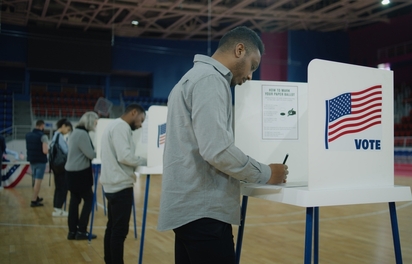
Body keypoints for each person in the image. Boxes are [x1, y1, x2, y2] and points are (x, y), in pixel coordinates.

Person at [157, 26, 288, 264]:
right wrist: (267, 173)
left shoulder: (190, 78)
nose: (250, 76)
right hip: (204, 213)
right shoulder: (211, 80)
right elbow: (217, 150)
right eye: (253, 66)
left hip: (189, 211)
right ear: (240, 50)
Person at [100, 104, 147, 264]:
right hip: (120, 186)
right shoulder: (121, 127)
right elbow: (125, 156)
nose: (140, 124)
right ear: (133, 112)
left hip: (111, 184)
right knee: (119, 232)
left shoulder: (113, 125)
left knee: (112, 228)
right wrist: (146, 161)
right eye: (141, 120)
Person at [65, 111, 98, 240]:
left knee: (74, 201)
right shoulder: (82, 134)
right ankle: (82, 230)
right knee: (89, 199)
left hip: (71, 171)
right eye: (95, 122)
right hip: (80, 172)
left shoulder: (75, 132)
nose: (96, 125)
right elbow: (90, 154)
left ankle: (72, 231)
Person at [50, 118, 73, 217]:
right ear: (63, 126)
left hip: (55, 165)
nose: (67, 132)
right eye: (68, 129)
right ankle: (58, 209)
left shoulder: (55, 135)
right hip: (61, 165)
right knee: (63, 187)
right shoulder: (59, 136)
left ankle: (57, 208)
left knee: (59, 187)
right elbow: (66, 150)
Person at [25, 120, 49, 207]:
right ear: (42, 126)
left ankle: (36, 196)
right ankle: (34, 200)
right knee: (38, 182)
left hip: (32, 160)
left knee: (35, 180)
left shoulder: (28, 135)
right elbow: (45, 151)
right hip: (40, 161)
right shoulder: (43, 136)